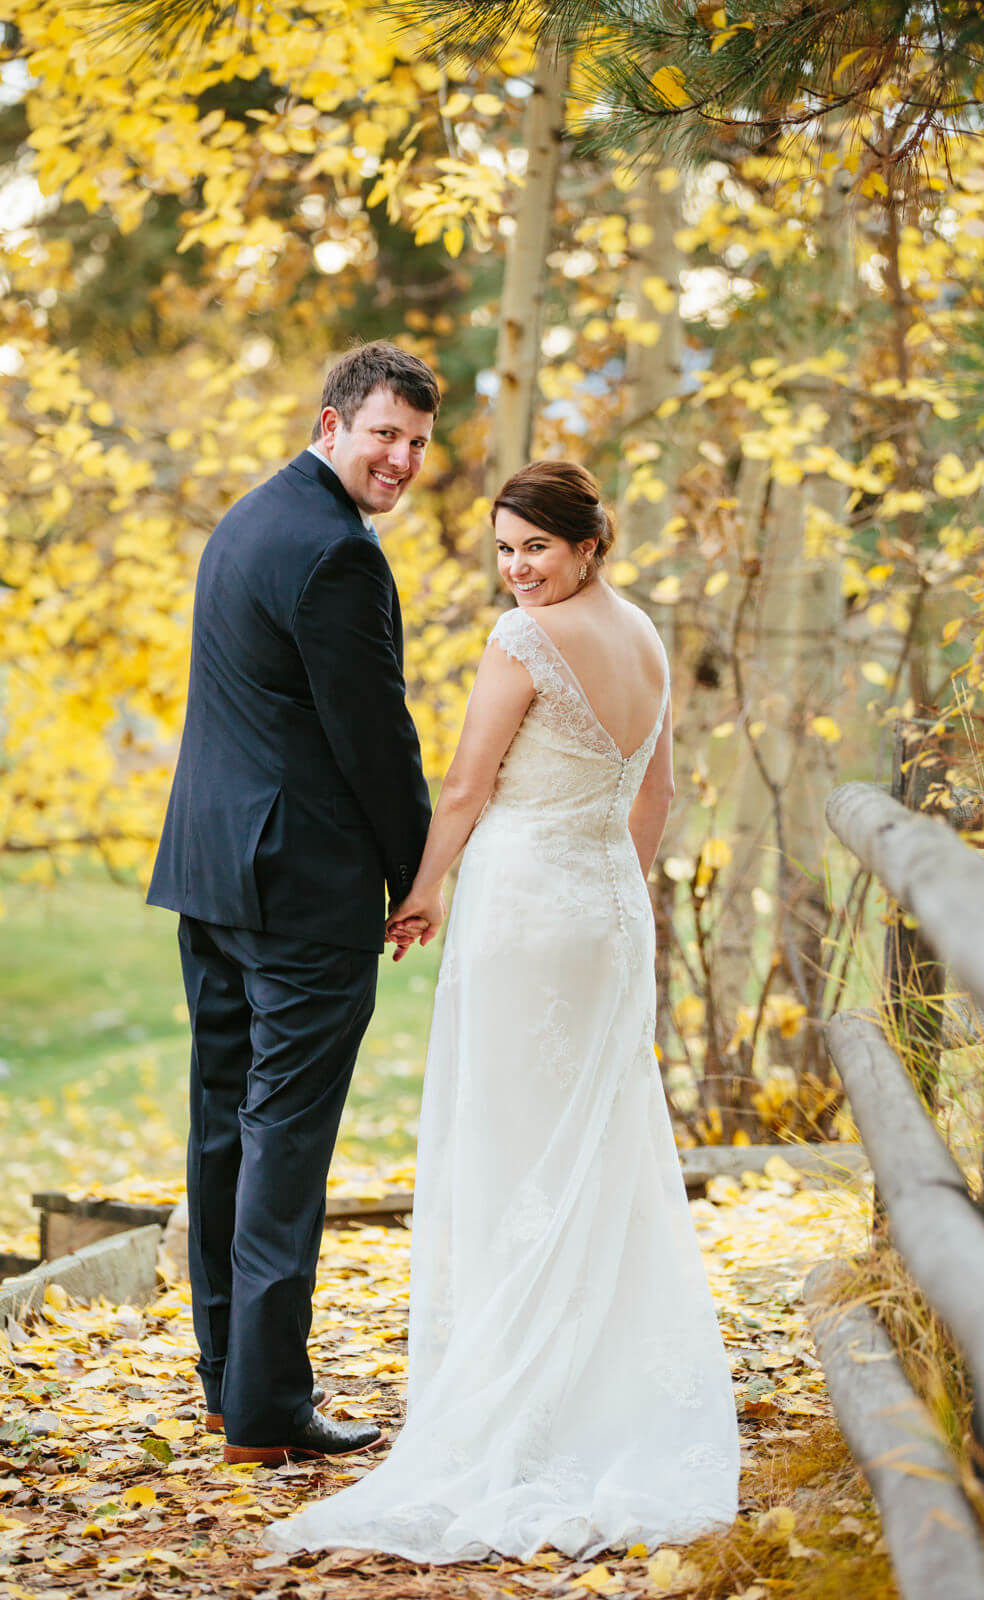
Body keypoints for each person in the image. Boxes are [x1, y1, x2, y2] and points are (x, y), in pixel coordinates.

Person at [267, 460, 739, 1563]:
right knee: (594, 1156)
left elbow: (469, 787)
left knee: (512, 1153)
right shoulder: (648, 638)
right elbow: (654, 796)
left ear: (585, 544)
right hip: (608, 912)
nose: (517, 569)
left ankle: (518, 1411)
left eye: (535, 547)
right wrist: (610, 895)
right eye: (503, 550)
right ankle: (592, 1395)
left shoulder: (523, 642)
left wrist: (423, 888)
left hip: (528, 910)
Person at [147, 341, 440, 1464]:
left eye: (415, 442)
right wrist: (417, 873)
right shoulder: (337, 557)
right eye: (382, 435)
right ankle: (268, 1405)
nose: (400, 458)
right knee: (281, 1140)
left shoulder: (248, 519)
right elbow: (375, 738)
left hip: (212, 869)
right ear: (332, 425)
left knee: (225, 1120)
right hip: (299, 889)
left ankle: (228, 1381)